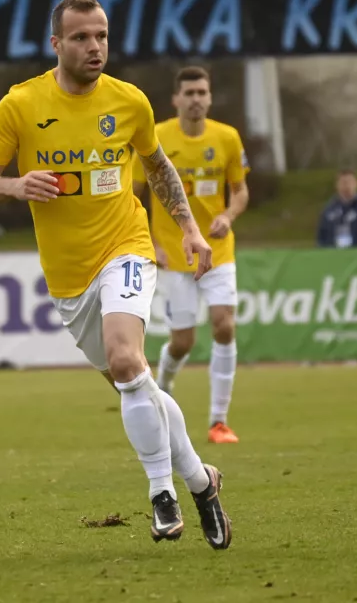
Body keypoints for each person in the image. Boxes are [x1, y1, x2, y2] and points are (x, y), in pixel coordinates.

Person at [0, 0, 232, 550]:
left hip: (126, 247)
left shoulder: (128, 101)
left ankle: (161, 493)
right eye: (82, 37)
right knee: (137, 384)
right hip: (69, 279)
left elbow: (158, 167)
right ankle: (201, 481)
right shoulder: (21, 104)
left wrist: (188, 228)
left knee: (127, 359)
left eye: (102, 36)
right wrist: (15, 185)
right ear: (56, 44)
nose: (95, 47)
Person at [132, 66, 250, 445]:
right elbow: (133, 195)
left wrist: (227, 216)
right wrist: (152, 242)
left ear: (210, 97)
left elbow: (240, 191)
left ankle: (219, 421)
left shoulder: (227, 137)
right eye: (189, 93)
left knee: (224, 325)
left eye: (202, 92)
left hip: (217, 250)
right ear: (176, 99)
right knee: (182, 341)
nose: (196, 99)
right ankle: (163, 391)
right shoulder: (157, 137)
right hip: (174, 254)